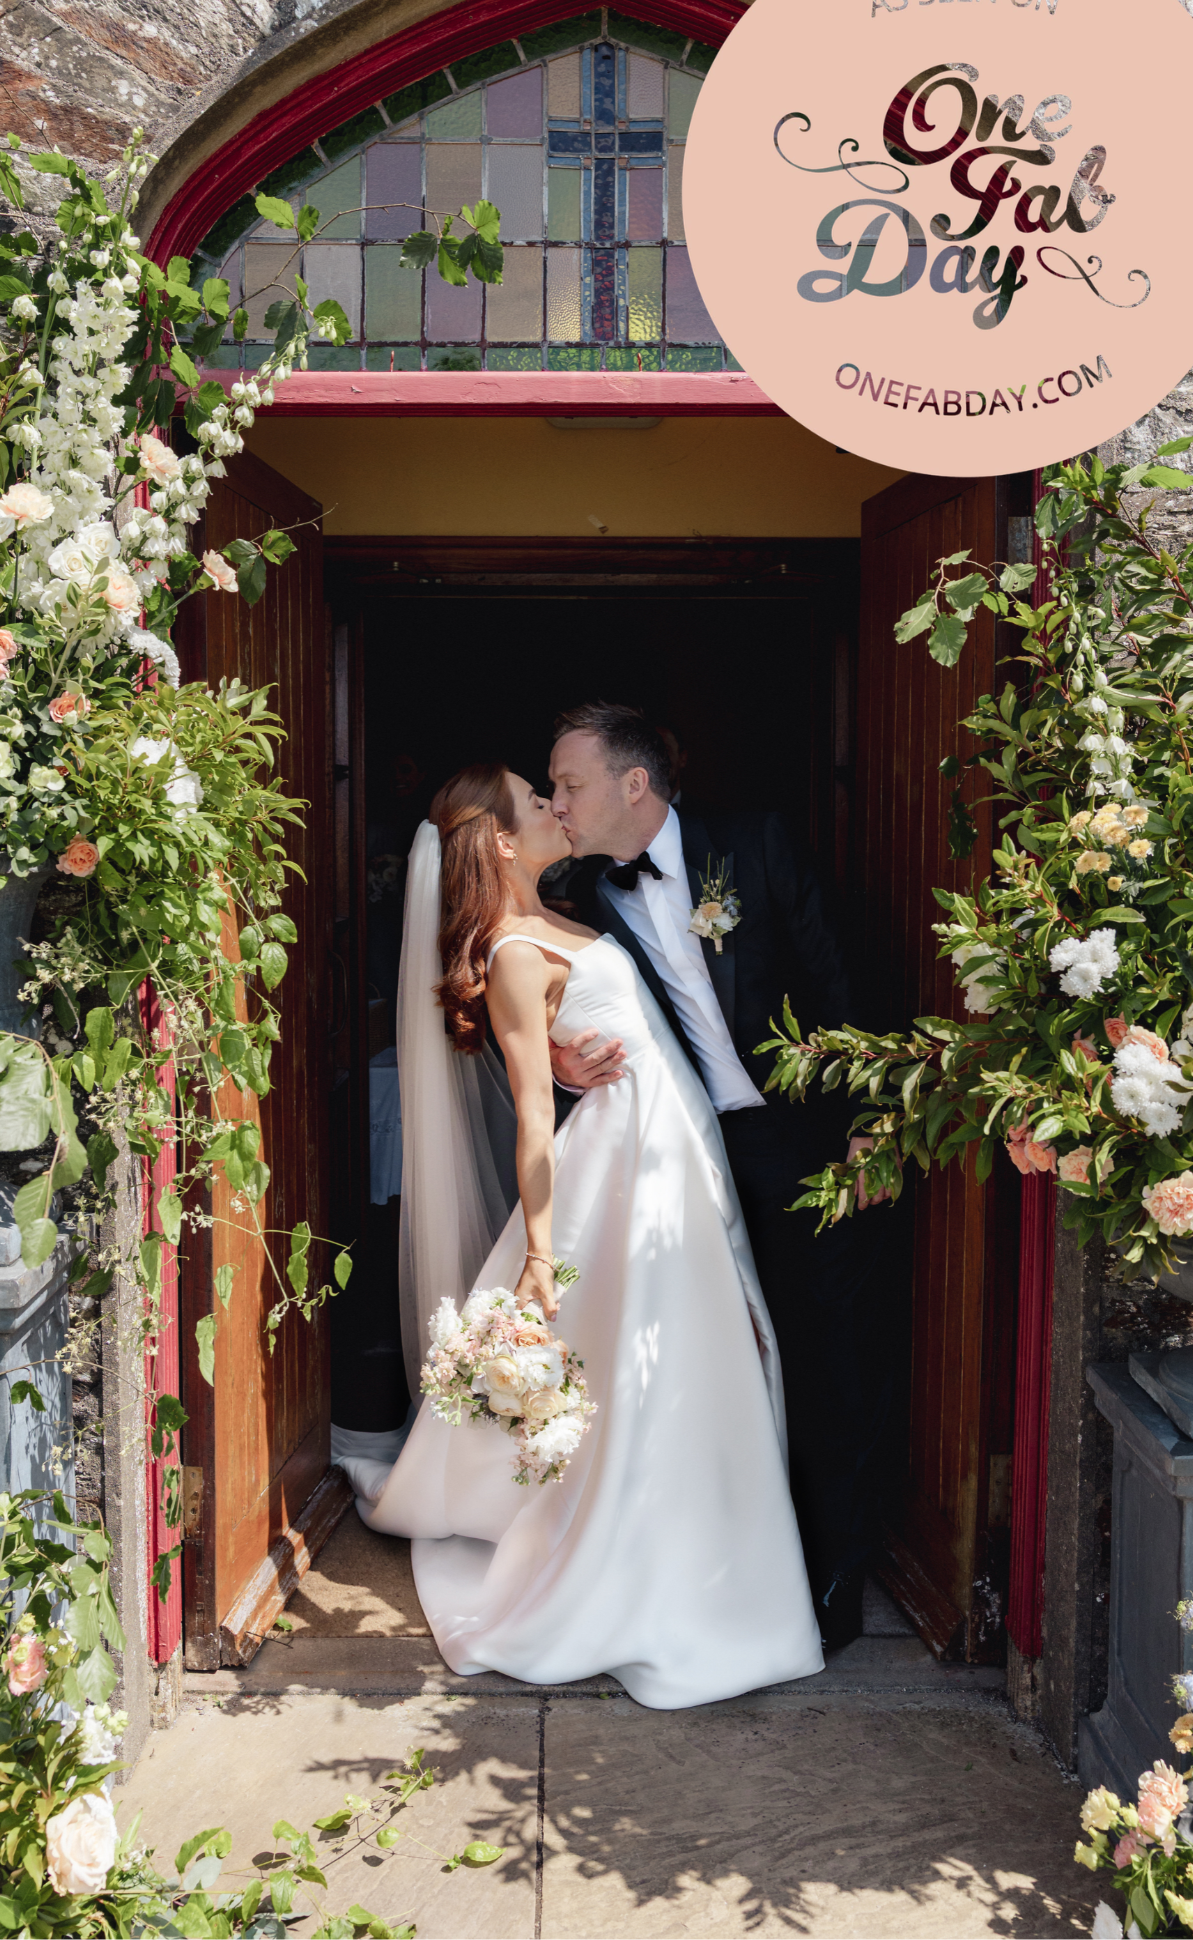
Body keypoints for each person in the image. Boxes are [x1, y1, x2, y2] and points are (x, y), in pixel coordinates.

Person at [348, 763, 822, 1709]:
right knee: (650, 1367)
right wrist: (536, 1251)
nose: (558, 807)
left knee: (693, 1356)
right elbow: (531, 1114)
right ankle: (647, 1573)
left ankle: (714, 1552)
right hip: (623, 1170)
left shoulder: (580, 902)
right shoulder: (516, 950)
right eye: (538, 799)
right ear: (504, 842)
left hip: (673, 1148)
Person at [549, 701, 888, 1650]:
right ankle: (734, 1563)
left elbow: (841, 983)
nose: (557, 802)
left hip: (809, 1144)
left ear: (633, 783)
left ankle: (835, 1579)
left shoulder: (758, 844)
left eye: (570, 782)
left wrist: (871, 1129)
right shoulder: (578, 896)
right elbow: (500, 986)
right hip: (689, 1158)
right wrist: (554, 1061)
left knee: (827, 1357)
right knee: (719, 1360)